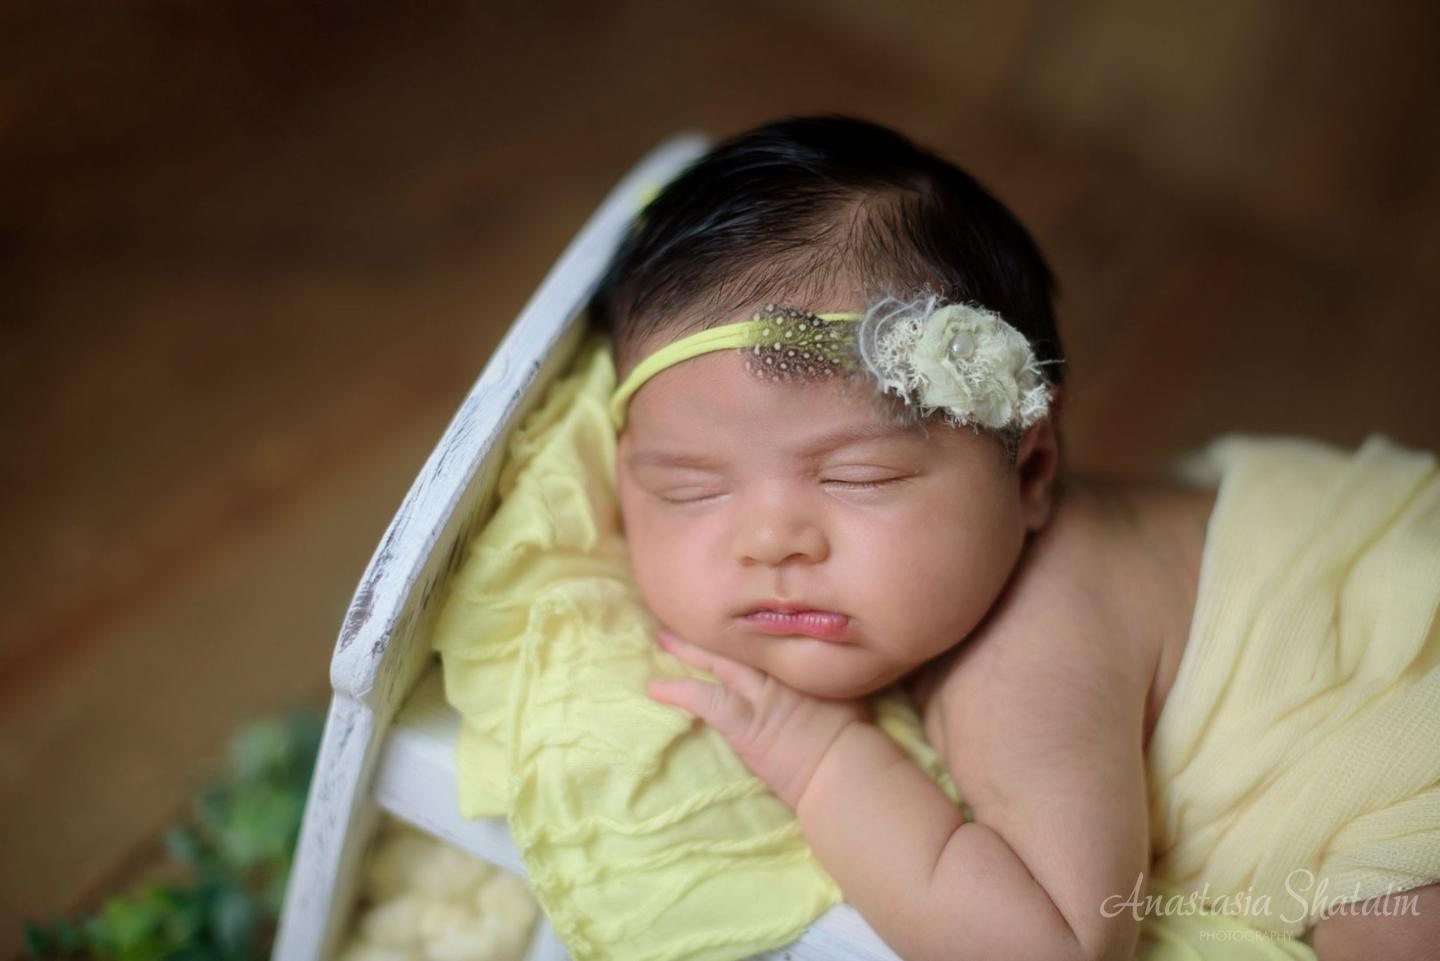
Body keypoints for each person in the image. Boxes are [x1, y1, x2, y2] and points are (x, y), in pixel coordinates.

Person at [589, 115, 1440, 961]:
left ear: (1030, 473)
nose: (772, 540)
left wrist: (816, 758)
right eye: (688, 486)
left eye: (860, 477)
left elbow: (1053, 945)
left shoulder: (1032, 648)